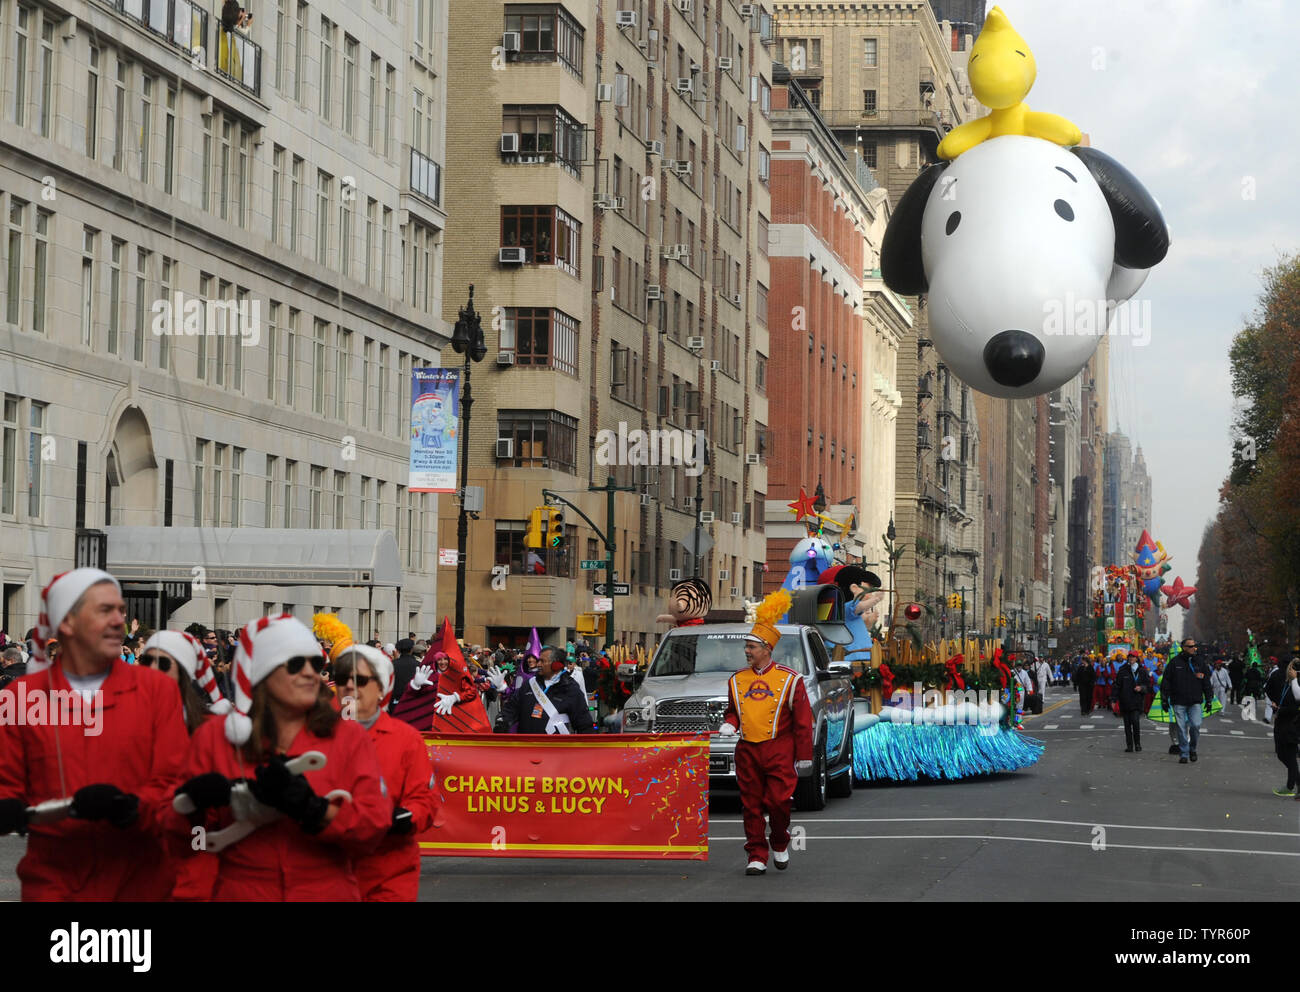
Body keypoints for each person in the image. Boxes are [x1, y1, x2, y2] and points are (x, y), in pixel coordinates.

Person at [164, 614, 391, 901]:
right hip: (240, 891)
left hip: (326, 890)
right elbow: (184, 841)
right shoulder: (215, 738)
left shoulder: (348, 737)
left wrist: (316, 810)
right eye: (296, 664)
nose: (311, 673)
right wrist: (193, 807)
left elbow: (373, 829)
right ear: (262, 674)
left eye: (317, 663)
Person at [0, 569, 190, 901]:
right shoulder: (20, 695)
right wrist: (9, 808)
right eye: (105, 610)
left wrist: (131, 807)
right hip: (55, 887)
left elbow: (174, 782)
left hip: (141, 885)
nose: (120, 620)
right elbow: (6, 783)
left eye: (120, 610)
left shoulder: (156, 690)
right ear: (67, 623)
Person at [332, 644, 437, 900]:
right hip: (330, 870)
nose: (349, 686)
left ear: (381, 689)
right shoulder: (318, 733)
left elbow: (425, 799)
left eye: (360, 680)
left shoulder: (405, 739)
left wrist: (405, 818)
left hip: (388, 871)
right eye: (342, 679)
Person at [718, 590, 811, 876]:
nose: (747, 651)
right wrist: (730, 723)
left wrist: (804, 756)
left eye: (752, 647)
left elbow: (803, 722)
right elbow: (734, 709)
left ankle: (780, 841)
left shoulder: (790, 680)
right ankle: (756, 853)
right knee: (751, 804)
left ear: (767, 649)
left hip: (779, 748)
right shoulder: (737, 679)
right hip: (747, 749)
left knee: (779, 802)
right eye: (746, 646)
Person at [497, 646, 595, 734]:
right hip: (527, 748)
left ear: (556, 665)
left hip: (555, 749)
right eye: (538, 660)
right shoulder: (529, 684)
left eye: (542, 661)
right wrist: (502, 721)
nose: (538, 664)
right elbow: (512, 708)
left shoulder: (570, 688)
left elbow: (584, 724)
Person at [1161, 638, 1214, 764]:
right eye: (1190, 646)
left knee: (1195, 725)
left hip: (1195, 701)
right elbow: (1166, 682)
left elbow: (1206, 683)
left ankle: (1193, 748)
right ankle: (1184, 753)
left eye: (1195, 646)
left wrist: (1209, 700)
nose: (1194, 648)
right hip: (1178, 701)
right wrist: (1164, 699)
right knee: (1181, 728)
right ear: (1183, 647)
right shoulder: (1174, 663)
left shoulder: (1200, 663)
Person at [1271, 657, 1299, 799]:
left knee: (1289, 756)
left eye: (1292, 668)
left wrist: (1281, 709)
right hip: (1282, 724)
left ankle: (1290, 786)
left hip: (1291, 725)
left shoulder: (1296, 684)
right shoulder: (1287, 684)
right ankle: (1296, 782)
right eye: (1290, 667)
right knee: (1281, 754)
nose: (1289, 670)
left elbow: (1296, 707)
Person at [1115, 650, 1151, 753]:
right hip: (1125, 701)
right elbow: (1117, 685)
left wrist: (1142, 688)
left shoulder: (1142, 671)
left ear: (1137, 659)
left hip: (1137, 702)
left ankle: (1138, 744)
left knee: (1135, 722)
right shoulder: (1122, 670)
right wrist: (1114, 699)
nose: (1131, 658)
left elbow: (1148, 685)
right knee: (1127, 725)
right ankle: (1129, 745)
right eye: (1130, 657)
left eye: (1133, 657)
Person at [390, 638, 419, 709]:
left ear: (398, 650)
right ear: (412, 649)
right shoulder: (419, 665)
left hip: (395, 702)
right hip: (414, 702)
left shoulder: (392, 664)